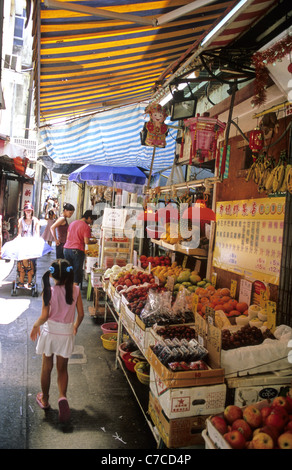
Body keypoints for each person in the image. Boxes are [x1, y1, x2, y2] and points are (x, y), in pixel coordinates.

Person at [30, 258, 84, 422]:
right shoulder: (75, 290)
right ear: (69, 275)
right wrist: (74, 326)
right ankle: (62, 396)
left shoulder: (48, 291)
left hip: (50, 332)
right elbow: (81, 314)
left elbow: (44, 316)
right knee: (63, 369)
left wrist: (35, 326)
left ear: (53, 276)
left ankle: (45, 400)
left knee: (46, 367)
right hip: (66, 333)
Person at [63, 210, 97, 286]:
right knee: (76, 271)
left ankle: (67, 288)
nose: (91, 222)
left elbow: (67, 237)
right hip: (77, 250)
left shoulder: (72, 223)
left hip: (66, 249)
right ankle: (75, 291)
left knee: (68, 270)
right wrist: (94, 242)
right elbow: (87, 241)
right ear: (88, 218)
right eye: (91, 220)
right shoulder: (86, 227)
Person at [17, 202, 40, 287]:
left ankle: (31, 281)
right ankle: (21, 280)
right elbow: (19, 233)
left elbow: (37, 234)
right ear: (24, 211)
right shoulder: (21, 221)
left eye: (30, 211)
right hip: (23, 244)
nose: (28, 212)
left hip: (32, 245)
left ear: (32, 211)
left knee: (32, 263)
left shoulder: (36, 221)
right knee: (21, 264)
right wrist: (18, 238)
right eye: (27, 211)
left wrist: (36, 241)